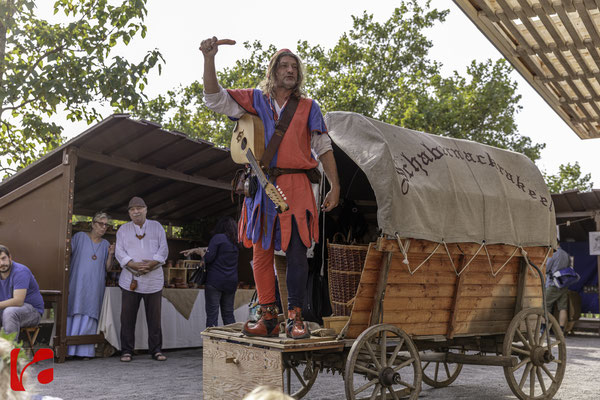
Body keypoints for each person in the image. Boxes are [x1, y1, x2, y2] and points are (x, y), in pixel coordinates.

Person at [200, 37, 341, 339]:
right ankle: (268, 316)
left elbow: (324, 147)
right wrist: (209, 59)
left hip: (298, 183)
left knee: (297, 251)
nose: (290, 70)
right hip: (261, 185)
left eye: (294, 67)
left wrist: (335, 186)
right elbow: (214, 98)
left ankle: (296, 317)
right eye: (284, 66)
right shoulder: (255, 99)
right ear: (273, 71)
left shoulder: (308, 107)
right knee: (260, 252)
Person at [115, 197, 168, 362]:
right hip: (131, 278)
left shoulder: (157, 227)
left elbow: (164, 248)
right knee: (127, 318)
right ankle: (126, 351)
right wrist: (133, 264)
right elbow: (119, 252)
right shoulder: (123, 229)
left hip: (153, 279)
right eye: (132, 209)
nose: (136, 211)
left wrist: (152, 263)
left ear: (146, 209)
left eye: (139, 208)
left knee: (154, 319)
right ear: (129, 213)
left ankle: (156, 350)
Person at [66, 212, 115, 358]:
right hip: (77, 283)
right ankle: (68, 350)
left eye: (106, 225)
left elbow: (108, 268)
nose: (103, 227)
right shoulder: (80, 237)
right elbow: (67, 253)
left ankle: (84, 352)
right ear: (93, 224)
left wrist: (111, 254)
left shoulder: (106, 244)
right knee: (73, 311)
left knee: (90, 314)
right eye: (101, 223)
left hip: (95, 286)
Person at [181, 216, 239, 327]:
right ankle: (233, 341)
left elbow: (208, 258)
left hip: (215, 282)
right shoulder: (235, 241)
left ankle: (211, 342)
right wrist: (195, 250)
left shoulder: (217, 238)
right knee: (228, 314)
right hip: (231, 282)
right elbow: (215, 249)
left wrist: (200, 253)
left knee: (212, 315)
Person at [0, 245, 44, 337]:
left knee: (10, 312)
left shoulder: (20, 271)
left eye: (3, 258)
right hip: (5, 310)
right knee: (7, 311)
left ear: (10, 257)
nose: (2, 263)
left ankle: (9, 348)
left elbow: (18, 301)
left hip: (32, 311)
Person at [545, 245, 570, 332]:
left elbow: (546, 268)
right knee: (563, 307)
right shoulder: (566, 254)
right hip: (564, 284)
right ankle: (561, 330)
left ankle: (543, 329)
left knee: (544, 306)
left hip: (553, 284)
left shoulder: (553, 254)